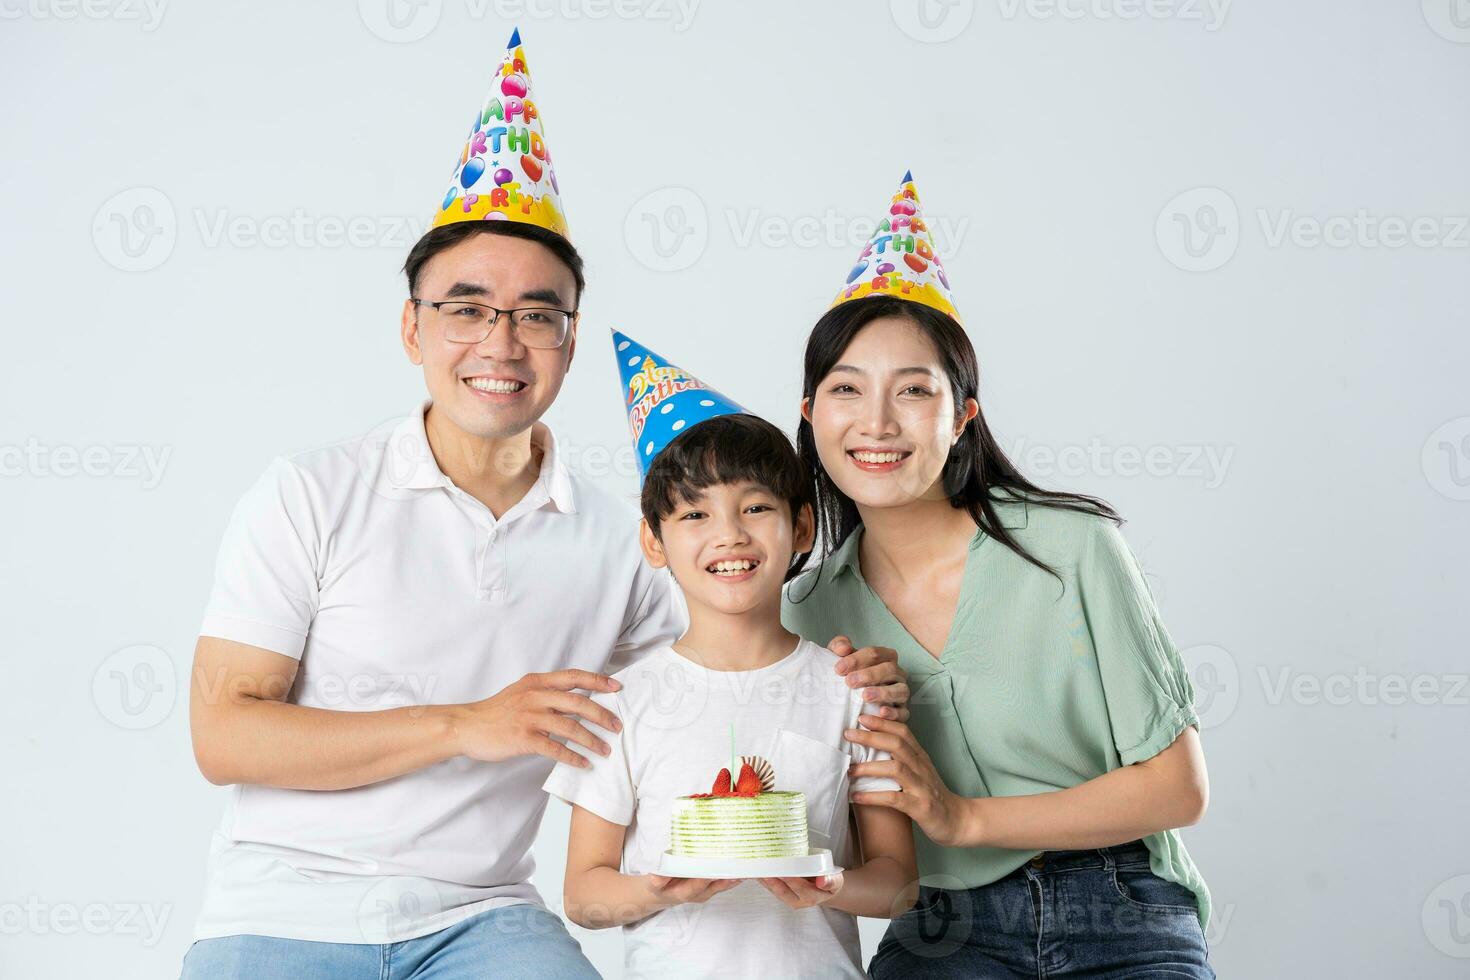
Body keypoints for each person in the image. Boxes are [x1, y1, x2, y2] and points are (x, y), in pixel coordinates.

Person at [178, 33, 909, 979]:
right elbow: (222, 733)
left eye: (537, 314)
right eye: (467, 307)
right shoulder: (309, 494)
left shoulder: (622, 545)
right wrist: (463, 723)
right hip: (282, 907)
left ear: (569, 337)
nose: (502, 342)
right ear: (412, 326)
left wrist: (856, 670)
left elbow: (724, 670)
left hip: (485, 919)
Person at [782, 172, 1216, 978]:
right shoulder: (808, 609)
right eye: (847, 390)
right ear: (811, 416)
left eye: (914, 390)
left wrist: (960, 815)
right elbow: (828, 825)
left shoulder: (1072, 549)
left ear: (963, 417)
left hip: (1116, 903)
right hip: (943, 925)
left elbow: (1178, 789)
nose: (876, 422)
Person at [542, 333, 919, 979]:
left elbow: (898, 884)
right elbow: (584, 896)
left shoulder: (851, 690)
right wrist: (659, 889)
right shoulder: (620, 704)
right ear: (653, 542)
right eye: (694, 515)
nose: (730, 534)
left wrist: (829, 883)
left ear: (801, 528)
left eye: (756, 507)